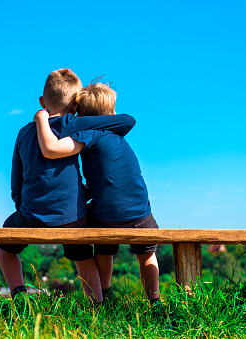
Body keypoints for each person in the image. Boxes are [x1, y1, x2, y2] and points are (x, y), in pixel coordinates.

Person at [0, 69, 135, 303]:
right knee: (83, 257)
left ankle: (18, 291)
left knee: (4, 246)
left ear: (42, 101)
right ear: (75, 105)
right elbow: (125, 121)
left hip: (31, 214)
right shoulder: (76, 124)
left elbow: (16, 178)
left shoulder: (24, 133)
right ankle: (98, 304)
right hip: (73, 216)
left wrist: (23, 206)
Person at [34, 82, 160, 304]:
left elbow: (54, 150)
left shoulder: (90, 134)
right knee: (147, 254)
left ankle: (105, 292)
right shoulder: (118, 137)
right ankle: (155, 301)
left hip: (106, 216)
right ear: (110, 112)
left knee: (100, 244)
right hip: (141, 213)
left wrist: (42, 120)